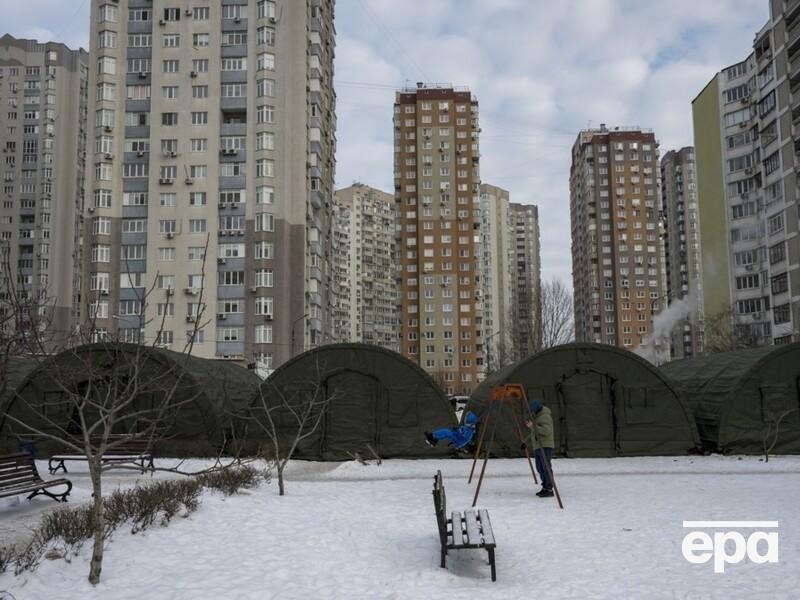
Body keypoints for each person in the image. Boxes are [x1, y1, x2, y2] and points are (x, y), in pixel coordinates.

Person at [525, 400, 555, 498]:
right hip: (538, 446)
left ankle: (549, 488)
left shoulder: (545, 417)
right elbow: (534, 433)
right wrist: (525, 442)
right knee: (540, 468)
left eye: (532, 410)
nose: (531, 412)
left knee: (545, 467)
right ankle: (545, 487)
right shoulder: (537, 417)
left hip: (545, 446)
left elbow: (546, 431)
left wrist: (533, 426)